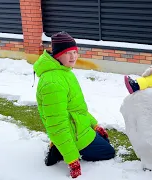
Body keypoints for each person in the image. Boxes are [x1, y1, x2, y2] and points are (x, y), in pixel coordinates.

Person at [33, 31, 115, 178]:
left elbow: (77, 108)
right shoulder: (52, 83)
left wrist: (94, 125)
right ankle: (61, 149)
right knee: (109, 152)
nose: (73, 57)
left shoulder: (64, 71)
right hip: (73, 133)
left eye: (74, 52)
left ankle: (59, 146)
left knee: (105, 141)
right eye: (67, 53)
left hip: (78, 126)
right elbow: (57, 124)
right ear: (57, 54)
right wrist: (72, 159)